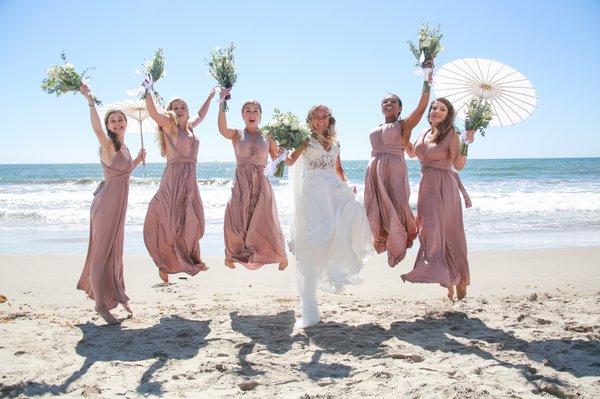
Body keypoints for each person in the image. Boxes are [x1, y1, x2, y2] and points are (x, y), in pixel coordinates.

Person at [285, 104, 373, 328]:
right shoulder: (305, 139)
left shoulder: (336, 141)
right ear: (310, 119)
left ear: (329, 119)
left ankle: (337, 267)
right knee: (316, 239)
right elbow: (289, 161)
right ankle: (309, 303)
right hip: (314, 191)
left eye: (324, 116)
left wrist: (348, 184)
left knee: (353, 211)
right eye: (316, 116)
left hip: (334, 187)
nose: (320, 120)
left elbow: (338, 168)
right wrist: (280, 144)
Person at [77, 84, 146, 324]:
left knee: (115, 253)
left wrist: (136, 159)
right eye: (113, 121)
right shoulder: (107, 144)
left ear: (126, 124)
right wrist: (90, 100)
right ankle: (100, 306)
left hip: (119, 205)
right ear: (109, 126)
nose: (117, 123)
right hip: (106, 205)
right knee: (101, 254)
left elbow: (122, 173)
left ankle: (119, 294)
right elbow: (95, 129)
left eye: (120, 120)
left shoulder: (124, 147)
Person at [401, 98, 475, 300]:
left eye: (442, 109)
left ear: (448, 114)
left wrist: (466, 144)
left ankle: (459, 280)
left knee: (448, 233)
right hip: (427, 188)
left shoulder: (452, 134)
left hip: (445, 187)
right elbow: (410, 153)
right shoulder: (423, 133)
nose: (437, 111)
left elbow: (458, 165)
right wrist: (401, 131)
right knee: (429, 232)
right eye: (434, 108)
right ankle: (448, 279)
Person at [143, 82, 215, 283]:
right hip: (174, 177)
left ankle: (190, 258)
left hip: (190, 177)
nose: (180, 110)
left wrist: (210, 97)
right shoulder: (169, 126)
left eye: (183, 107)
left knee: (194, 218)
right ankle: (165, 264)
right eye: (175, 107)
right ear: (170, 112)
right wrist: (148, 90)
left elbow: (200, 115)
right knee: (172, 222)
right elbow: (153, 113)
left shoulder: (190, 127)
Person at [364, 65, 433, 267]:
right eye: (385, 102)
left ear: (400, 108)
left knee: (396, 206)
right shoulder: (377, 127)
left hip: (393, 169)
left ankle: (398, 246)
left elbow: (421, 108)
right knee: (375, 207)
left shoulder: (404, 125)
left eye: (393, 102)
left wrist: (427, 80)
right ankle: (384, 240)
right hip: (375, 170)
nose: (388, 104)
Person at [216, 89, 288, 270]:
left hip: (261, 181)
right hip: (241, 181)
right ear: (242, 114)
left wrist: (284, 150)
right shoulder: (236, 134)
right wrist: (222, 105)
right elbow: (222, 129)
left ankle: (280, 254)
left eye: (255, 110)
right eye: (248, 110)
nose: (252, 113)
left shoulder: (268, 135)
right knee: (235, 218)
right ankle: (232, 254)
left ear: (261, 115)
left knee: (266, 219)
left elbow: (277, 158)